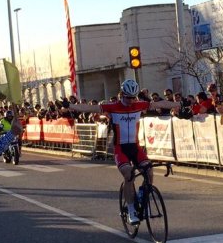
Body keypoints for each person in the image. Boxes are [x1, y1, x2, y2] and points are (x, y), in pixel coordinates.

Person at [69, 79, 178, 225]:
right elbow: (91, 109)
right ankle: (131, 209)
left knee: (149, 171)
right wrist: (70, 105)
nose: (131, 100)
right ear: (122, 95)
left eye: (134, 97)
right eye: (128, 97)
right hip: (120, 149)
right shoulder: (113, 107)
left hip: (135, 147)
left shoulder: (139, 105)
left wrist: (180, 104)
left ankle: (141, 195)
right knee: (129, 175)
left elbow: (161, 104)